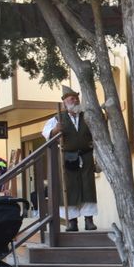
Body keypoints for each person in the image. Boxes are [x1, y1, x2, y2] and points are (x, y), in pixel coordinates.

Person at [43, 85, 98, 231]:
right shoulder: (57, 118)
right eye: (71, 98)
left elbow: (97, 131)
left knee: (88, 186)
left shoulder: (86, 116)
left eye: (76, 98)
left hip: (86, 156)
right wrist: (56, 130)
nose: (75, 100)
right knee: (69, 187)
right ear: (65, 102)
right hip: (67, 158)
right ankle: (72, 222)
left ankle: (89, 220)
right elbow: (46, 133)